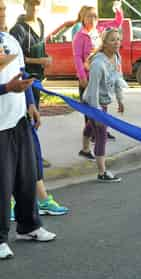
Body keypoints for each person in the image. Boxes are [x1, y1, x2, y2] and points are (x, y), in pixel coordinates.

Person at [0, 0, 56, 260]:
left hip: (18, 119)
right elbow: (9, 84)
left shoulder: (10, 40)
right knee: (3, 182)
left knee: (26, 176)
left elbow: (21, 72)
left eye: (2, 9)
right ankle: (0, 238)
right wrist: (5, 89)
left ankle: (29, 226)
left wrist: (31, 103)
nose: (1, 14)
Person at [73, 4, 123, 161]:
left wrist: (117, 8)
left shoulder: (99, 30)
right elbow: (77, 58)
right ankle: (98, 138)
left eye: (95, 16)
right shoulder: (80, 36)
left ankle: (87, 145)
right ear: (82, 17)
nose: (92, 19)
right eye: (89, 16)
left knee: (96, 113)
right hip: (88, 78)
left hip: (102, 78)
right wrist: (82, 77)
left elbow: (117, 23)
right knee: (93, 112)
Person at [81, 28, 125, 182]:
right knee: (101, 135)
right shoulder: (98, 63)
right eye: (113, 40)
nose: (117, 42)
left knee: (90, 127)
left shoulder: (117, 57)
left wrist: (120, 99)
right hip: (93, 102)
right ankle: (102, 172)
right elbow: (93, 91)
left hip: (103, 100)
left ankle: (85, 150)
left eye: (118, 39)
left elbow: (118, 79)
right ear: (104, 43)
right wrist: (97, 113)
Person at [10, 0, 51, 109]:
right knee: (29, 115)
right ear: (25, 6)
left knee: (35, 112)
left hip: (38, 78)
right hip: (24, 79)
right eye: (31, 4)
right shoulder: (18, 30)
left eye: (37, 4)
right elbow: (14, 58)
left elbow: (40, 47)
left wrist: (46, 58)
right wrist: (39, 61)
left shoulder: (40, 23)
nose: (34, 7)